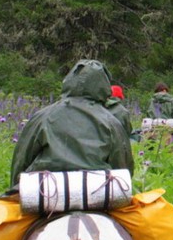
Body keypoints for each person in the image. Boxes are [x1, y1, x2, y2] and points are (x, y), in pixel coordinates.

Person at [10, 59, 134, 187]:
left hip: (44, 193)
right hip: (96, 193)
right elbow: (123, 169)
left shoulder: (43, 117)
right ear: (103, 87)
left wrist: (16, 191)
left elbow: (21, 160)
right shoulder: (111, 122)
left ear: (69, 81)